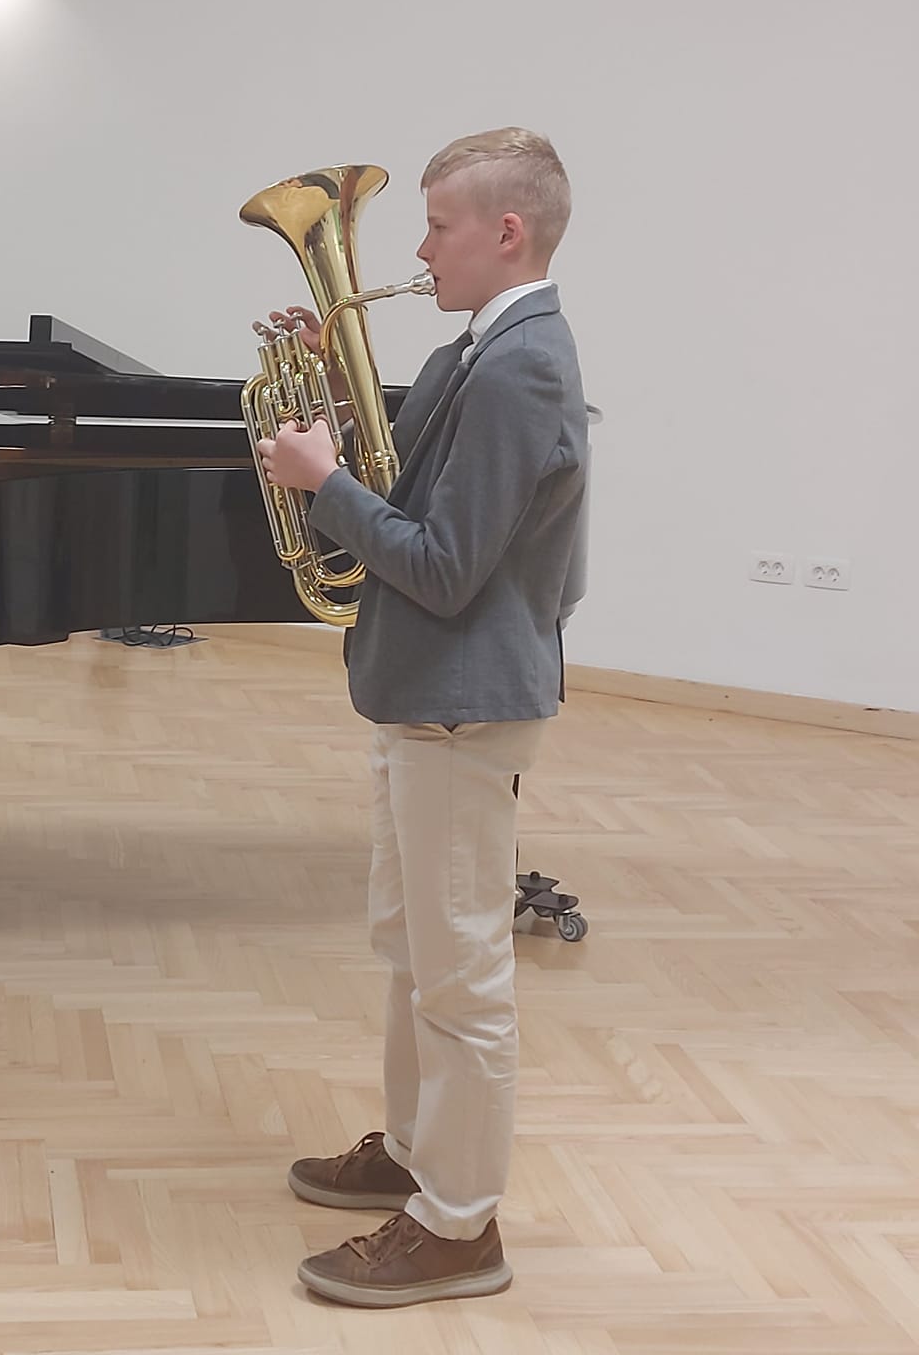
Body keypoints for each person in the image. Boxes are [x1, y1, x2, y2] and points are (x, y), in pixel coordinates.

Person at [255, 128, 589, 1308]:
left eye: (437, 225)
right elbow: (415, 492)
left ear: (505, 232)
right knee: (413, 951)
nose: (417, 248)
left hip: (461, 700)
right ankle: (411, 1152)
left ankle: (457, 1226)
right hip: (426, 696)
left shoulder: (519, 366)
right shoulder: (473, 350)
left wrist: (322, 485)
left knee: (460, 978)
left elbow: (442, 566)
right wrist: (330, 414)